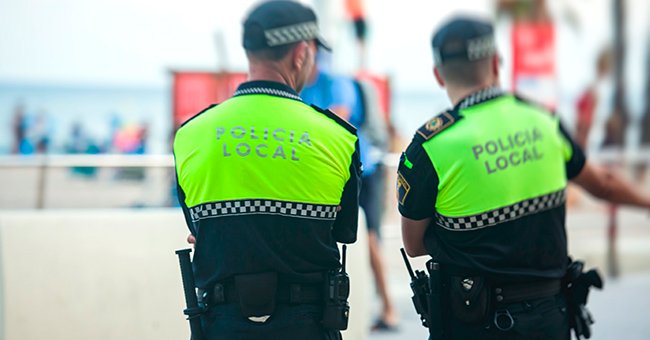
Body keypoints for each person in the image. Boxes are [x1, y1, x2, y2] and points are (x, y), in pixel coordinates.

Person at [397, 16, 650, 339]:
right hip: (549, 316)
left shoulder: (430, 147)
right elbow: (604, 185)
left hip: (471, 320)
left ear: (438, 75)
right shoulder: (543, 121)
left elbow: (414, 245)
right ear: (496, 63)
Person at [173, 1, 361, 339]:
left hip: (220, 325)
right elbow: (344, 232)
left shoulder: (190, 134)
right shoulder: (338, 137)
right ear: (301, 53)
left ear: (249, 51)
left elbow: (199, 230)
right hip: (309, 325)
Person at [301, 53, 398, 331]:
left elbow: (339, 118)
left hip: (362, 171)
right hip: (330, 170)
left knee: (369, 238)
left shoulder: (336, 82)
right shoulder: (304, 87)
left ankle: (389, 308)